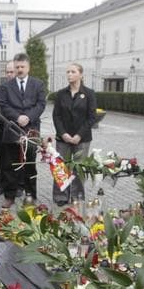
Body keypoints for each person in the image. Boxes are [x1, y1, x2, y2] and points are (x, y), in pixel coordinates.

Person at [0, 53, 46, 207]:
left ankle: (30, 195)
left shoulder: (38, 84)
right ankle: (9, 196)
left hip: (31, 130)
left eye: (22, 67)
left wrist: (28, 117)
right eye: (17, 67)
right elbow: (3, 105)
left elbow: (41, 104)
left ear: (28, 67)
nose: (19, 69)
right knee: (10, 165)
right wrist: (17, 117)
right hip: (12, 130)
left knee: (30, 165)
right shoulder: (5, 87)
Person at [51, 63, 97, 206]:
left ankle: (77, 196)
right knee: (61, 168)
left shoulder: (89, 94)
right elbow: (56, 116)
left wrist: (79, 135)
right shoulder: (61, 94)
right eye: (68, 72)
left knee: (79, 168)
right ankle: (60, 197)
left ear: (81, 75)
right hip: (63, 139)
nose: (69, 74)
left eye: (73, 71)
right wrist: (63, 133)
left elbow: (91, 117)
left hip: (81, 139)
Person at [0, 60, 16, 196]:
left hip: (17, 131)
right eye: (7, 72)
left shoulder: (21, 89)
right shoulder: (2, 88)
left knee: (17, 159)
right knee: (4, 158)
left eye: (11, 72)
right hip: (3, 130)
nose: (9, 74)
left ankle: (18, 186)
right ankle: (3, 184)